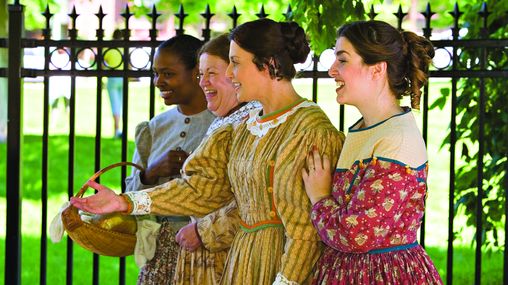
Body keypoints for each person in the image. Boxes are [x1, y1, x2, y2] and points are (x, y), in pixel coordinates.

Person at [70, 19, 345, 284]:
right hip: (242, 262)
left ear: (268, 65)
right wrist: (125, 202)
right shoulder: (242, 126)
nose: (229, 74)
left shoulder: (310, 130)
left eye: (235, 64)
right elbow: (202, 189)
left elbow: (306, 230)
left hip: (280, 264)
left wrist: (287, 281)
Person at [301, 20, 443, 284]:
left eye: (342, 60)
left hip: (383, 275)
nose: (332, 70)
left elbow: (356, 234)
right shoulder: (371, 130)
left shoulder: (396, 140)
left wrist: (319, 198)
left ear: (377, 70)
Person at [124, 34, 215, 285]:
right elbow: (129, 197)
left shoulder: (221, 125)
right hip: (159, 256)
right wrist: (151, 173)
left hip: (209, 253)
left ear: (197, 72)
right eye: (156, 73)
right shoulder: (155, 128)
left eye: (168, 74)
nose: (158, 82)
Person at [173, 33, 260, 285]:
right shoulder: (228, 121)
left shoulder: (251, 125)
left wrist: (203, 231)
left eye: (211, 73)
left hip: (232, 262)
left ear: (236, 72)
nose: (202, 82)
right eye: (200, 74)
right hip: (208, 260)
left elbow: (258, 204)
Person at [104, 29, 124, 138]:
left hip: (112, 78)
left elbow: (102, 63)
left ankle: (116, 130)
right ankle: (120, 130)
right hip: (123, 78)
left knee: (115, 105)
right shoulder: (124, 47)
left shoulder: (109, 48)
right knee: (122, 104)